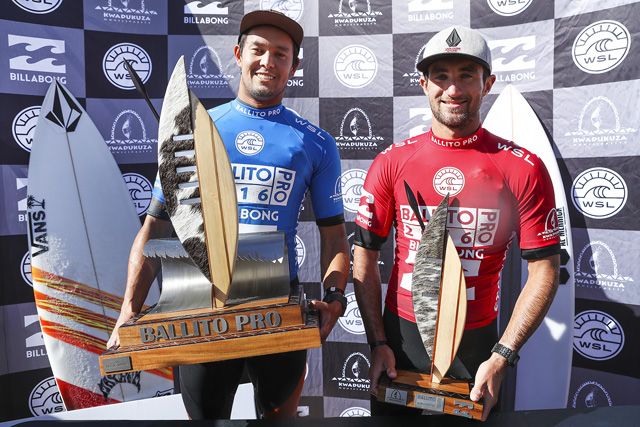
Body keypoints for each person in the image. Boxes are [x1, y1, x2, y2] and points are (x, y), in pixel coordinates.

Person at [107, 10, 349, 420]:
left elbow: (333, 236)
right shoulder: (195, 131)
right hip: (198, 302)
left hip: (277, 300)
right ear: (238, 54)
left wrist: (335, 297)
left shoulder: (316, 143)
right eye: (258, 49)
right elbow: (156, 226)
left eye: (281, 54)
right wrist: (129, 308)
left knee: (278, 420)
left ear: (294, 65)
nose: (268, 62)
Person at [352, 26, 560, 420]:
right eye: (440, 76)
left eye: (467, 74)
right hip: (400, 345)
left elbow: (544, 270)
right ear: (423, 84)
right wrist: (377, 341)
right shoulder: (392, 162)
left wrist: (503, 355)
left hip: (479, 349)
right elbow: (363, 257)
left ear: (488, 83)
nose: (453, 88)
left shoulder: (522, 167)